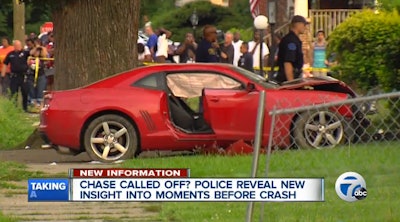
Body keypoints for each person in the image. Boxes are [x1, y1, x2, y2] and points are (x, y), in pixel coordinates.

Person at [275, 15, 308, 84]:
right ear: (297, 24)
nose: (305, 27)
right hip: (287, 78)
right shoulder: (291, 41)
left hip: (292, 77)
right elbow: (288, 62)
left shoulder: (293, 39)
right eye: (304, 24)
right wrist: (291, 83)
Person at [1, 40, 30, 112]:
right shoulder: (10, 54)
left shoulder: (25, 53)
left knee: (25, 92)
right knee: (13, 93)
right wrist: (3, 75)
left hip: (23, 76)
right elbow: (5, 63)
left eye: (19, 45)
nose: (18, 47)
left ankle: (25, 108)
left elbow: (33, 53)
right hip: (14, 76)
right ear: (14, 46)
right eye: (16, 45)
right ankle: (14, 108)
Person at [26, 47, 47, 111]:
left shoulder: (44, 59)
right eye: (36, 51)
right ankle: (33, 106)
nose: (37, 53)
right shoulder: (30, 58)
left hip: (41, 75)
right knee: (31, 91)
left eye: (39, 51)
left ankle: (39, 106)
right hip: (31, 76)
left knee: (40, 91)